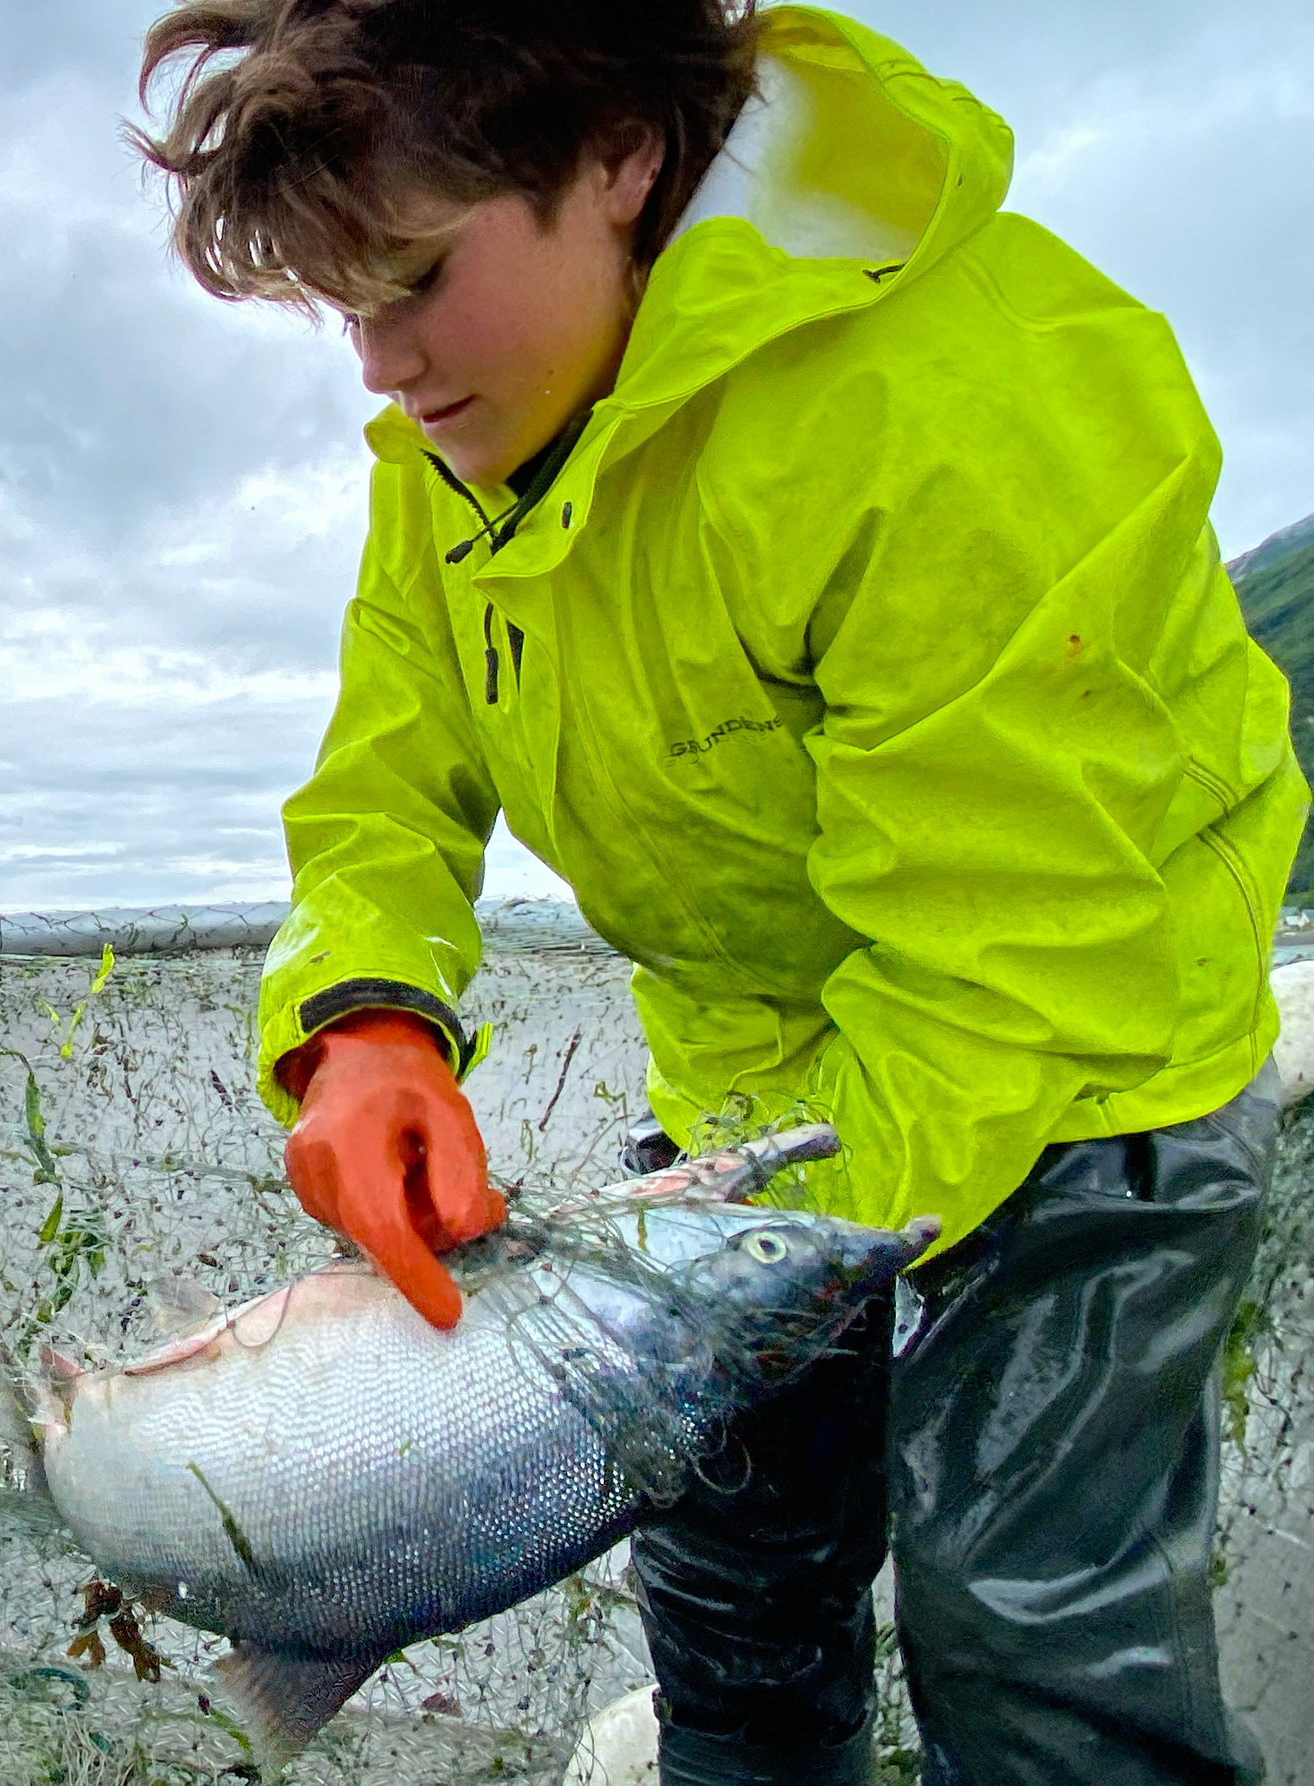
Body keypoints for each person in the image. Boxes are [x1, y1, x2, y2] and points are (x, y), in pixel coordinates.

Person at [138, 4, 1300, 1782]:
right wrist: (364, 1017)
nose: (378, 365)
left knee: (1026, 1636)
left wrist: (675, 1289)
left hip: (1088, 1073)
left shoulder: (961, 406)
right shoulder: (453, 448)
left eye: (418, 278)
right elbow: (387, 774)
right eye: (342, 304)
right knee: (734, 1609)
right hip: (749, 1096)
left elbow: (1010, 964)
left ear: (614, 154)